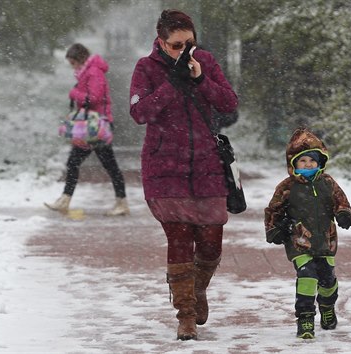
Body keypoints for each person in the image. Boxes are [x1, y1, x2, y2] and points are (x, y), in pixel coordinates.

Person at [128, 9, 238, 340]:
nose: (184, 51)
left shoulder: (204, 61)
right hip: (164, 168)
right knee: (179, 238)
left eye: (189, 43)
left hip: (206, 165)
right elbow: (139, 112)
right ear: (161, 42)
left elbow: (229, 104)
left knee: (210, 243)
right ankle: (185, 315)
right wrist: (171, 83)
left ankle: (197, 288)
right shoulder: (146, 68)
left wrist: (201, 79)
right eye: (177, 45)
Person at [264, 127, 351, 339]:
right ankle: (305, 318)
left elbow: (341, 202)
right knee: (307, 275)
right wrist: (275, 228)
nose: (308, 165)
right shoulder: (286, 187)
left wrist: (344, 214)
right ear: (293, 163)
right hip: (299, 241)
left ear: (320, 161)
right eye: (302, 161)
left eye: (312, 161)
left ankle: (327, 306)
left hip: (326, 241)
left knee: (327, 280)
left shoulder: (328, 183)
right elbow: (273, 210)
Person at [45, 43, 130, 216]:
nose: (72, 67)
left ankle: (122, 202)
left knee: (108, 164)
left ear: (80, 60)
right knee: (75, 163)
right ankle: (65, 199)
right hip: (89, 127)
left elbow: (94, 98)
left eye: (73, 63)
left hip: (96, 126)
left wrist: (74, 94)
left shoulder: (94, 72)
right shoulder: (87, 72)